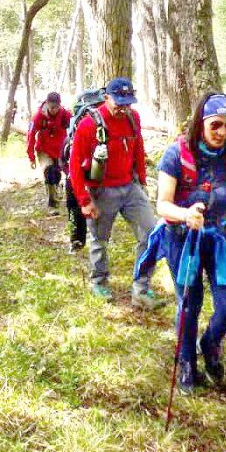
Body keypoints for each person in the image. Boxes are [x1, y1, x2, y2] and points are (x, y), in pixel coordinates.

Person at [136, 92, 226, 394]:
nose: (222, 132)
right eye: (216, 125)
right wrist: (186, 214)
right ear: (202, 123)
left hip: (223, 238)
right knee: (190, 303)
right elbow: (162, 205)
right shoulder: (177, 154)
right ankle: (187, 361)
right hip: (182, 240)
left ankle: (210, 343)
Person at [68, 77, 164, 309]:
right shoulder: (89, 125)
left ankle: (141, 288)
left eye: (127, 102)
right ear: (106, 97)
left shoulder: (133, 118)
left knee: (151, 234)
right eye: (118, 102)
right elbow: (74, 166)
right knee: (100, 239)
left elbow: (138, 148)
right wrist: (84, 200)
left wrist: (141, 180)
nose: (123, 107)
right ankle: (99, 281)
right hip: (101, 190)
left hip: (130, 187)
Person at [27, 91, 72, 211]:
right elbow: (30, 136)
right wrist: (31, 157)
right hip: (44, 149)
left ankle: (57, 189)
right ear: (47, 104)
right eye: (52, 107)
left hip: (60, 149)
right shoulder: (38, 117)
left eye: (57, 107)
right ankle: (52, 203)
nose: (54, 110)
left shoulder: (65, 114)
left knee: (57, 174)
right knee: (49, 172)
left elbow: (74, 126)